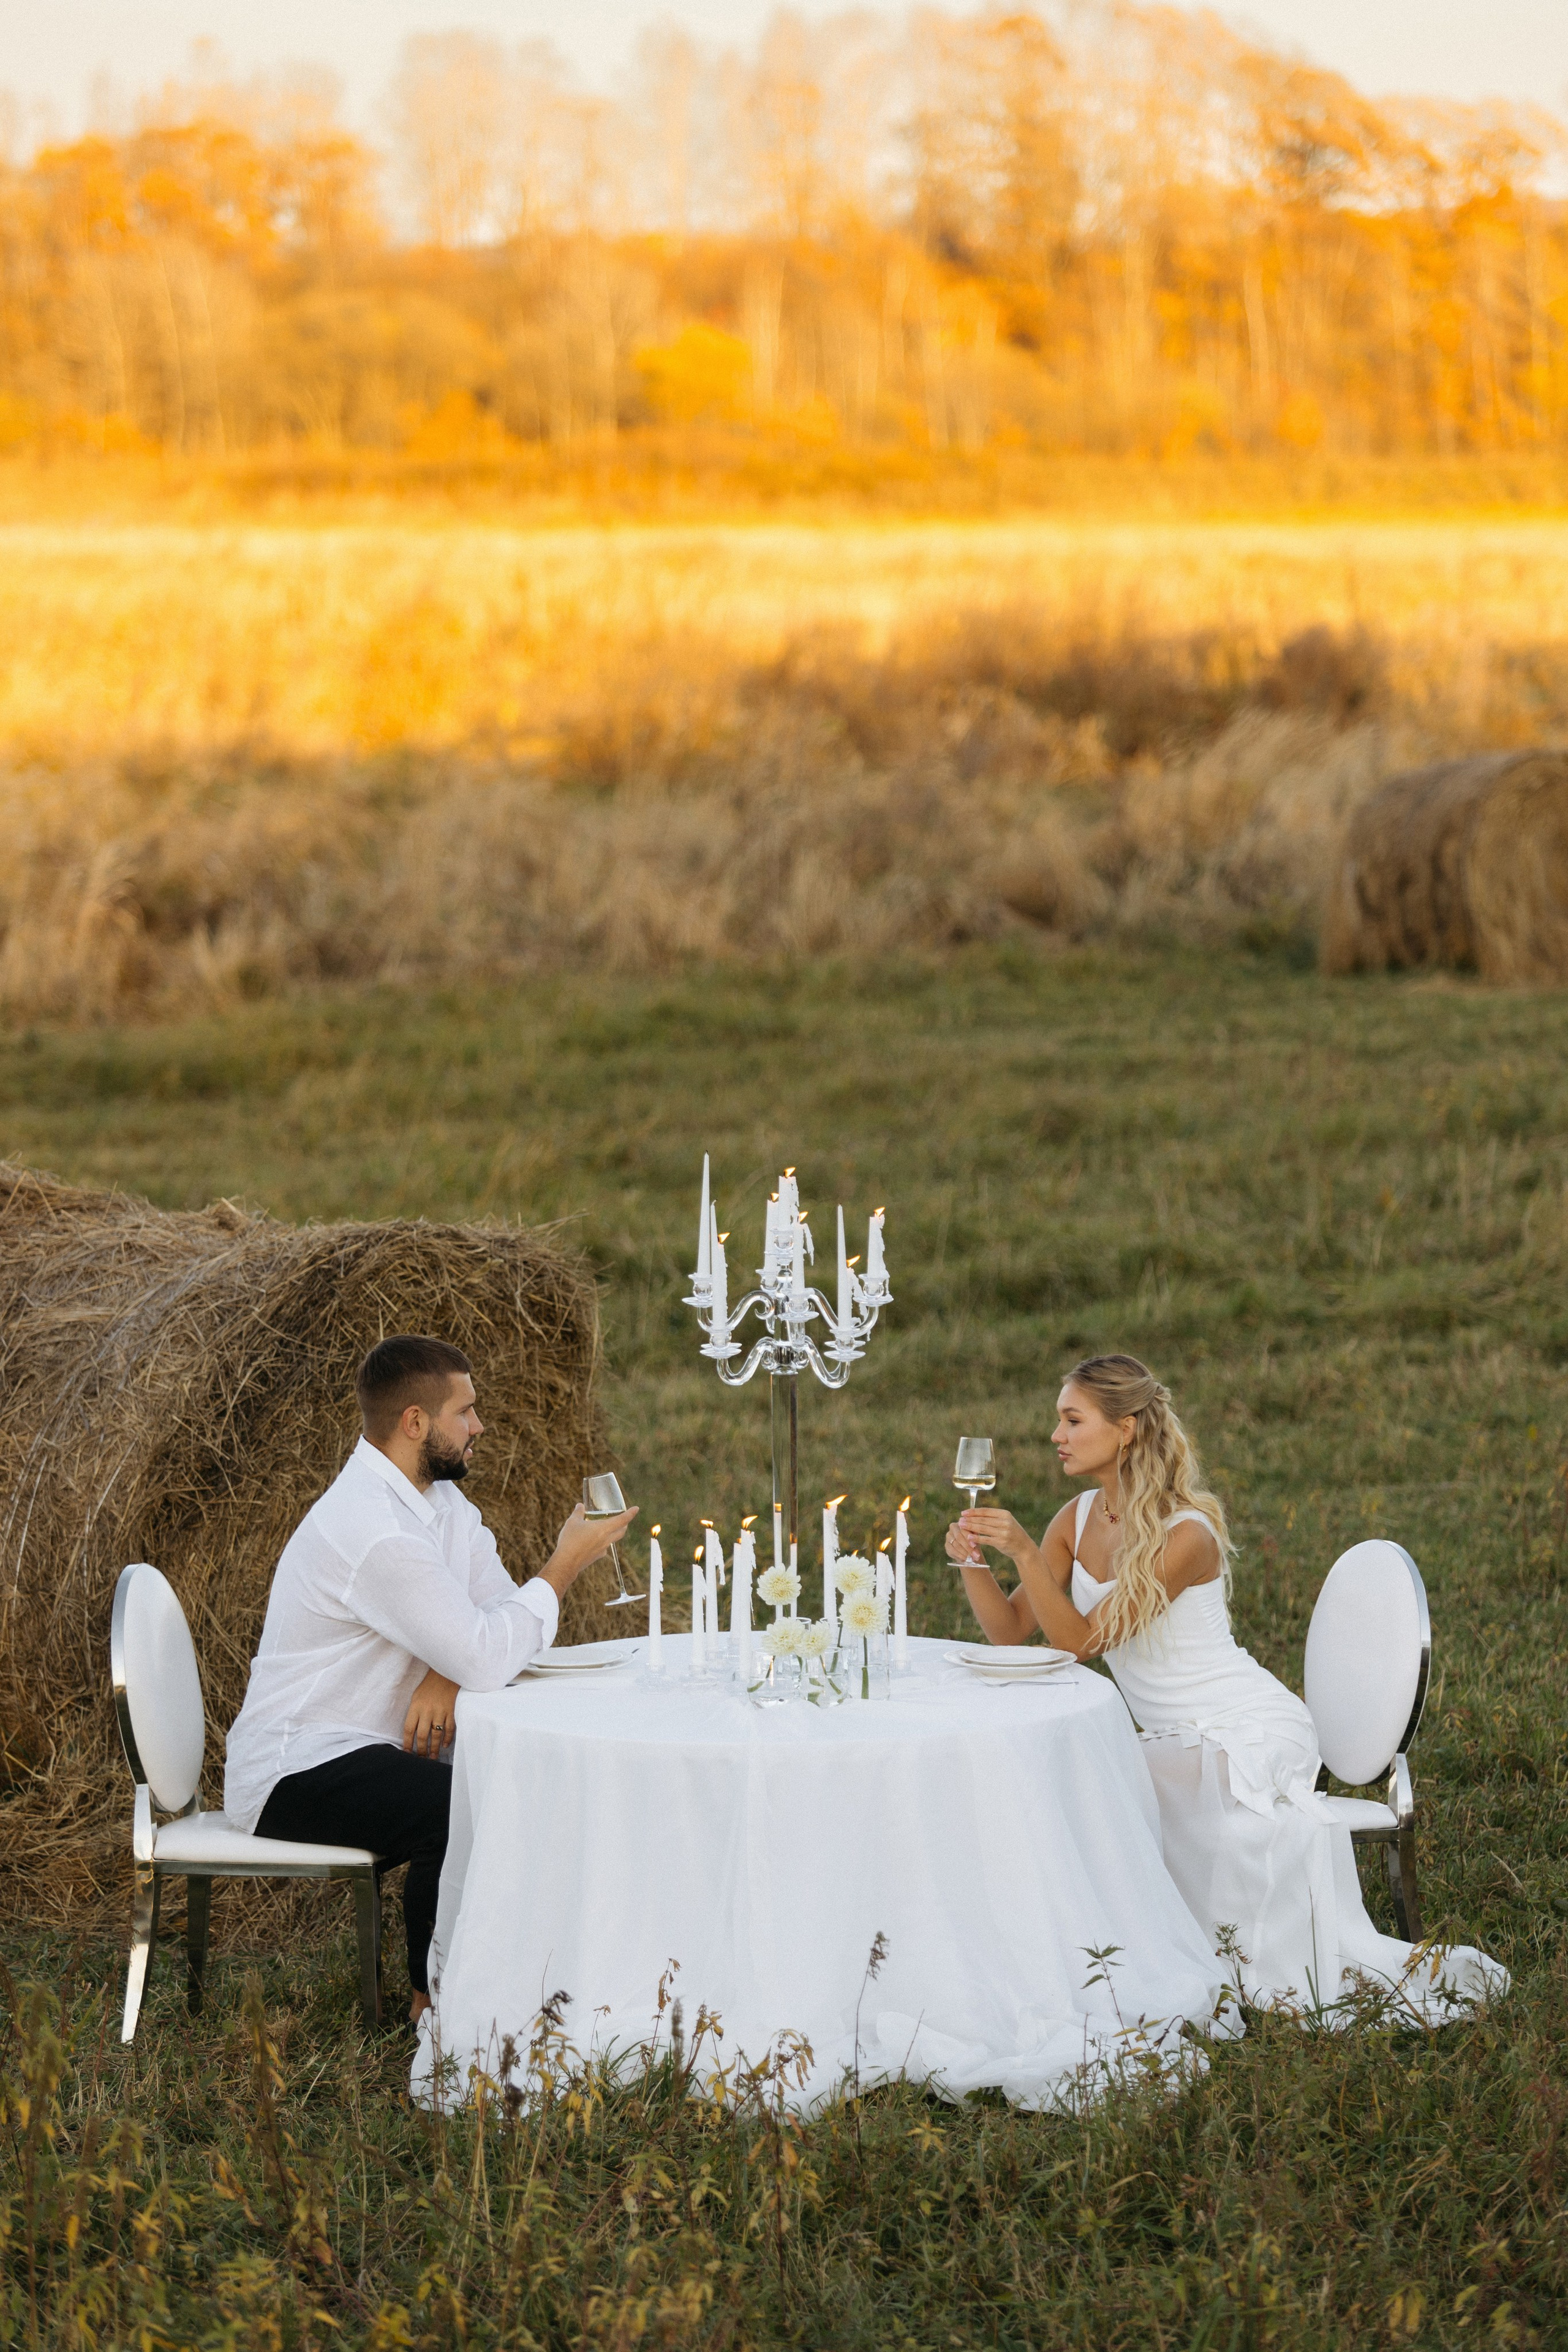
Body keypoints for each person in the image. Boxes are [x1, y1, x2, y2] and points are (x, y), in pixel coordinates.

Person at [946, 1352, 1507, 2022]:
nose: (1055, 1435)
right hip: (1172, 1735)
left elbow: (1081, 1643)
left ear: (1124, 1429)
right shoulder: (1074, 1517)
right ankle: (1069, 1957)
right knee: (1089, 1775)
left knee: (1095, 1777)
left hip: (1246, 1726)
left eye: (1071, 1419)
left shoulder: (1187, 1535)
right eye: (1057, 1421)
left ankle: (1120, 1959)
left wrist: (1026, 1556)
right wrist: (972, 1562)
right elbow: (1012, 1631)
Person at [224, 1333, 634, 2024]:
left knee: (514, 1780)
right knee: (458, 1807)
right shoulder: (374, 1529)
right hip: (297, 1765)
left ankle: (543, 1972)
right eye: (465, 1412)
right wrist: (564, 1566)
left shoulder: (438, 1505)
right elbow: (491, 1648)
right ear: (415, 1423)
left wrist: (449, 1669)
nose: (480, 1426)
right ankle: (432, 2004)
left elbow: (499, 1623)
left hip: (369, 1745)